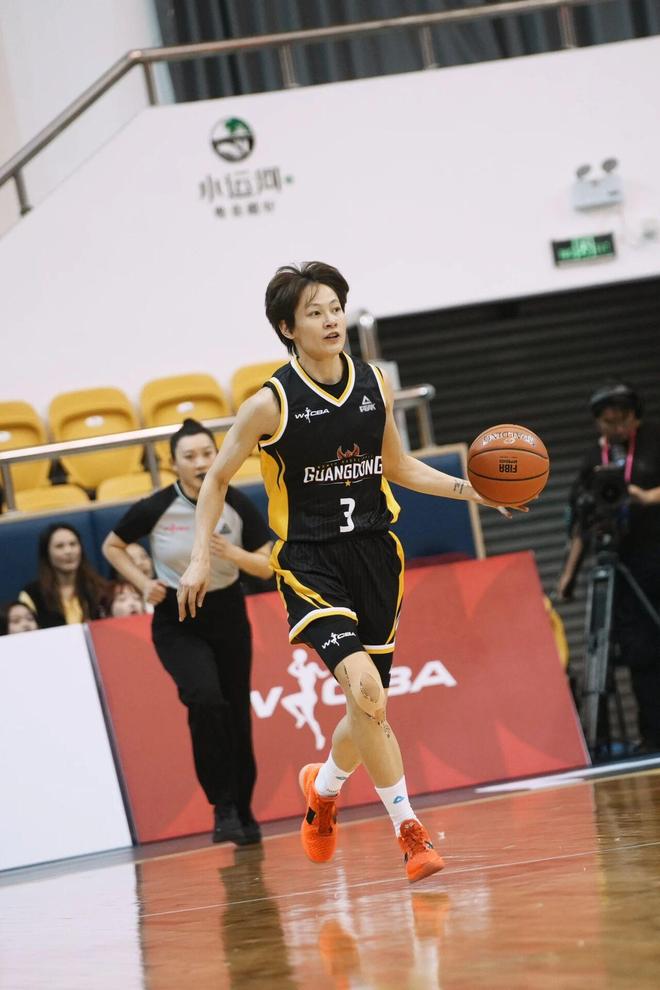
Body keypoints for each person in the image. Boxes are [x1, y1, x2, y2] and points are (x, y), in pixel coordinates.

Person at [178, 261, 520, 883]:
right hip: (309, 561)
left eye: (336, 307)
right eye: (315, 312)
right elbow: (217, 479)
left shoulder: (372, 383)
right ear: (288, 328)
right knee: (364, 689)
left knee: (370, 706)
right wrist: (201, 554)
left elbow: (399, 467)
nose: (331, 319)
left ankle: (324, 788)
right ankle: (410, 833)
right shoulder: (269, 404)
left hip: (375, 556)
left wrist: (471, 489)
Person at [102, 418, 273, 846]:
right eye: (190, 456)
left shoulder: (237, 503)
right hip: (178, 618)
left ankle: (243, 811)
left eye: (207, 453)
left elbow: (267, 566)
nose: (201, 463)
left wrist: (232, 552)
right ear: (173, 464)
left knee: (236, 714)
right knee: (205, 698)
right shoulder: (157, 507)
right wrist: (143, 584)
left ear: (220, 455)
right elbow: (112, 545)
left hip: (228, 613)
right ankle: (223, 805)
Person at [556, 382, 660, 753]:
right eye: (608, 422)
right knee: (640, 653)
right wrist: (568, 575)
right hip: (621, 563)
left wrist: (647, 496)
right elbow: (583, 518)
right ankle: (652, 735)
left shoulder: (654, 443)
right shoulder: (593, 462)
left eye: (622, 420)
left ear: (636, 417)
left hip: (655, 554)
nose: (616, 428)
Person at [19, 523, 108, 627]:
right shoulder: (32, 595)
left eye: (73, 544)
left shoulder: (100, 588)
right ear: (47, 553)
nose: (68, 551)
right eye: (59, 546)